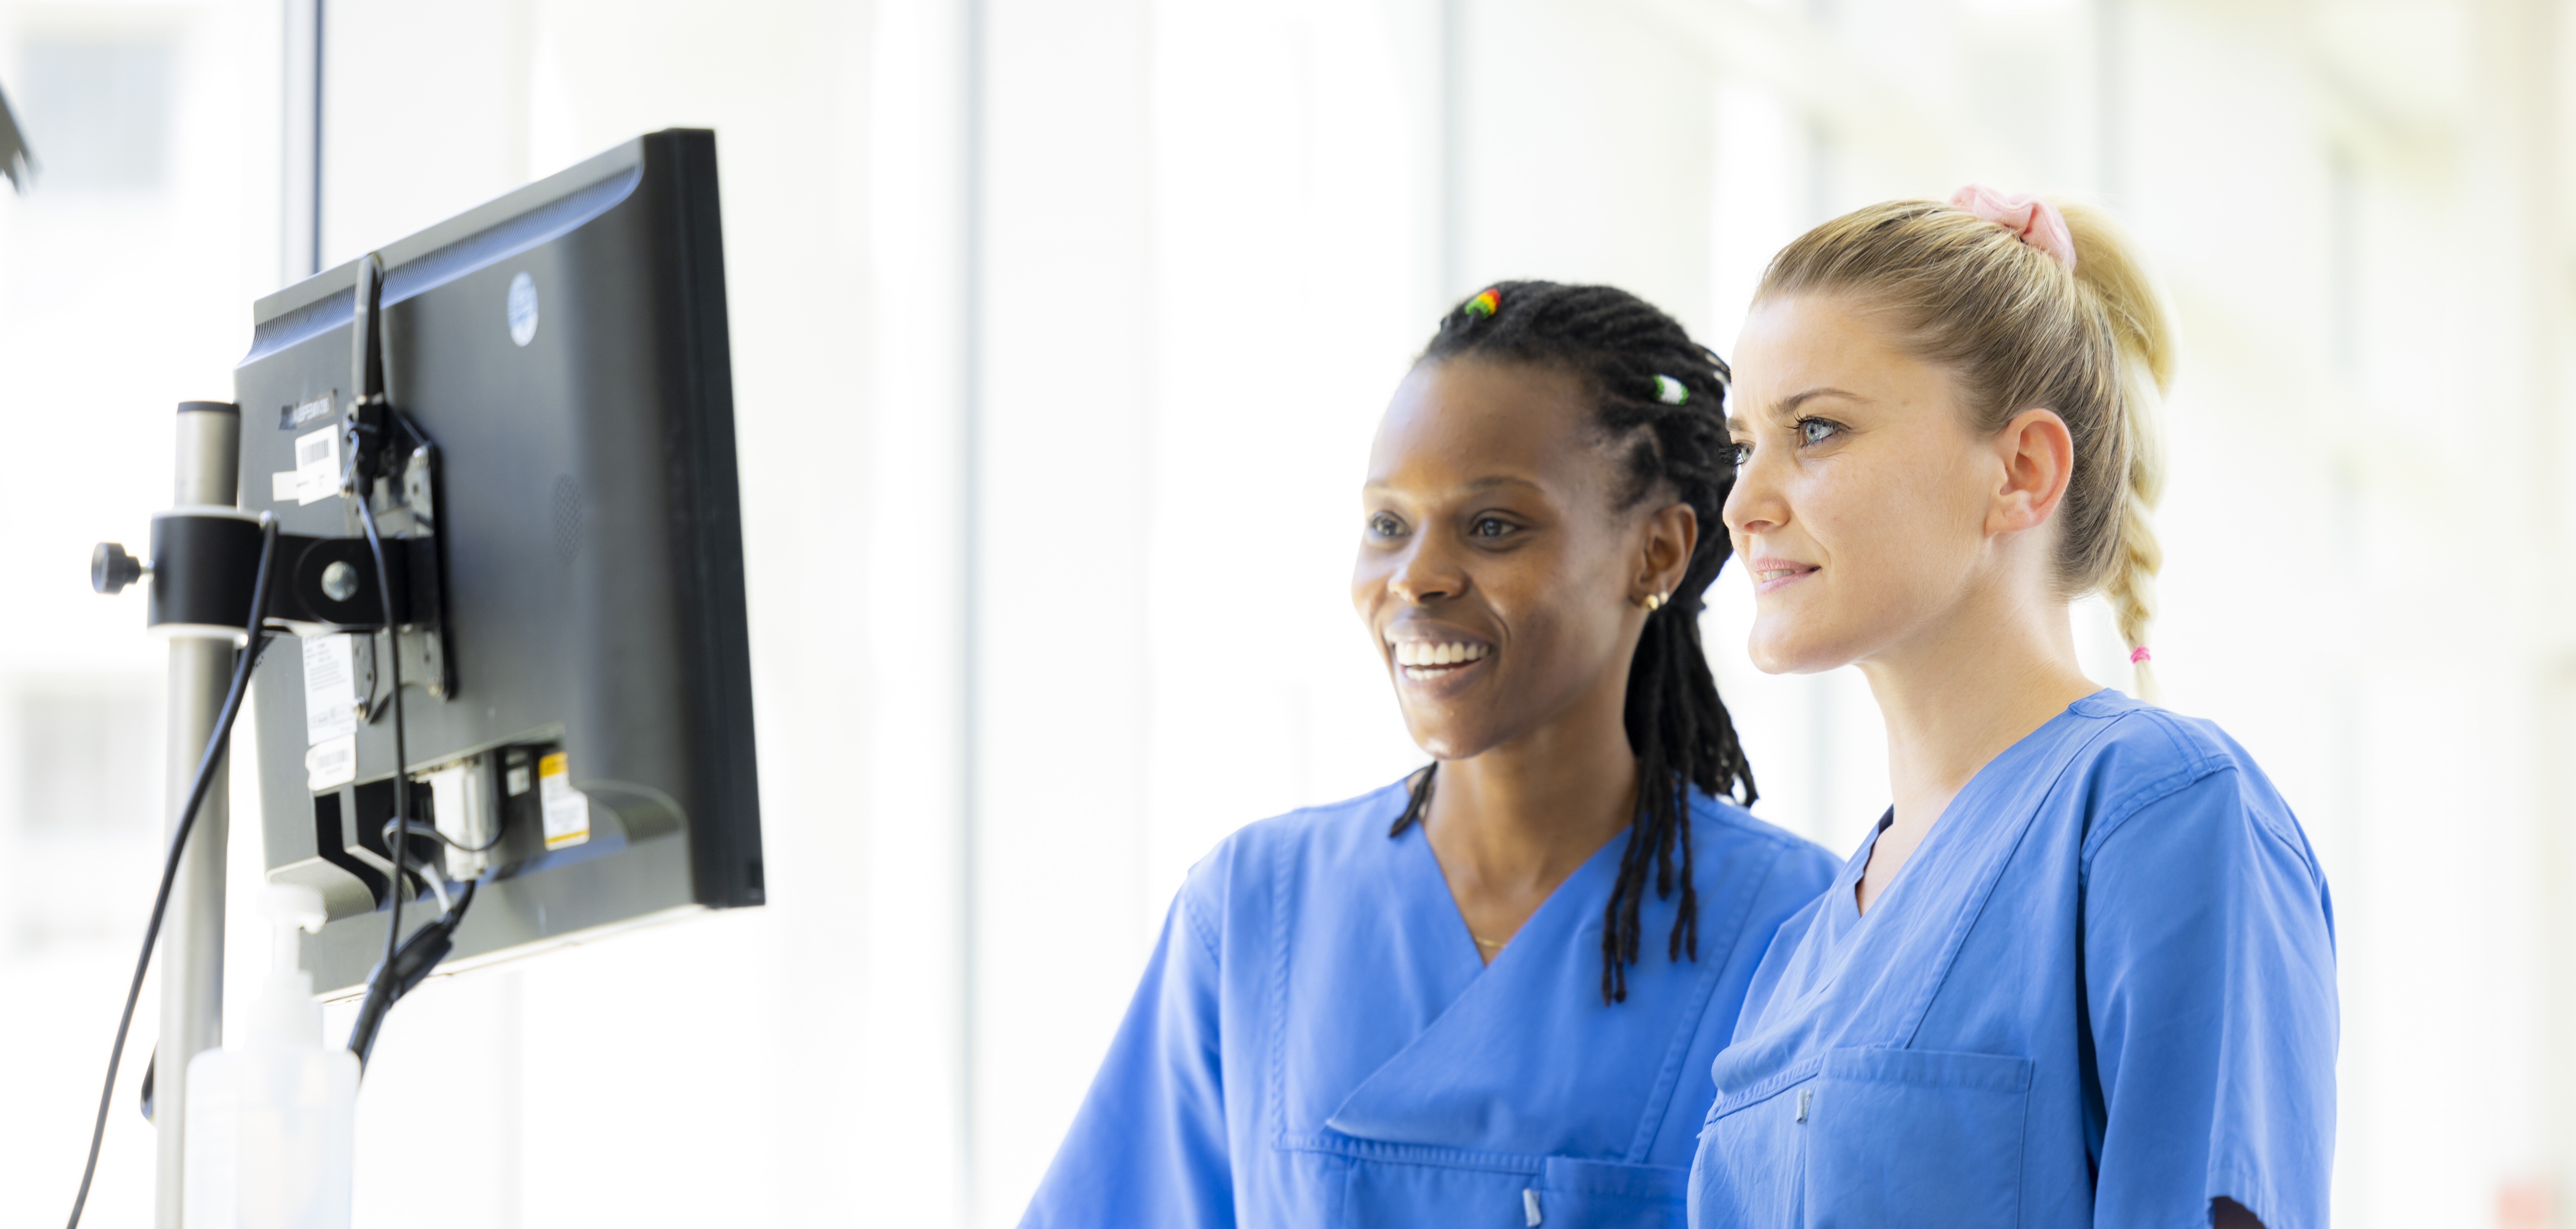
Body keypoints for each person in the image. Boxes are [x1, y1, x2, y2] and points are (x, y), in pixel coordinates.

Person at [1021, 282, 1840, 1228]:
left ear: (1656, 553)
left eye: (1493, 526)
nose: (1416, 576)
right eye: (1387, 524)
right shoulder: (1256, 909)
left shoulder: (1800, 935)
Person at [1686, 189, 2337, 1229]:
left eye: (1814, 428)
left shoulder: (2161, 812)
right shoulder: (1802, 952)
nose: (1742, 501)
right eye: (1742, 442)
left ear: (2021, 470)